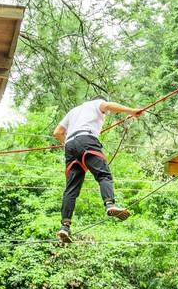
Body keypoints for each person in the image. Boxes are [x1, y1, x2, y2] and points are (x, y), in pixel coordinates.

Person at [53, 98, 141, 243]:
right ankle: (110, 205)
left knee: (71, 190)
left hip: (70, 146)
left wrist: (66, 143)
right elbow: (107, 105)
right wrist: (132, 111)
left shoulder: (73, 111)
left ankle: (65, 226)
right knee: (103, 175)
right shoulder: (96, 103)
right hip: (87, 140)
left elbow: (57, 132)